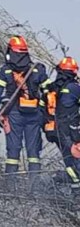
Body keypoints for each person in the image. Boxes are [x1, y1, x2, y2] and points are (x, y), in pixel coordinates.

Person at [0, 35, 48, 185]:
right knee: (33, 152)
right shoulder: (38, 69)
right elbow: (49, 93)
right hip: (34, 114)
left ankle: (11, 187)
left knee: (13, 151)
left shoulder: (6, 71)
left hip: (14, 114)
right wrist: (44, 112)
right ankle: (35, 187)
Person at [47, 57, 80, 194]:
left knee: (68, 159)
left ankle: (75, 187)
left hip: (54, 129)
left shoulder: (53, 88)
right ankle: (77, 189)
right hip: (70, 129)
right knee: (76, 158)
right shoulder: (74, 88)